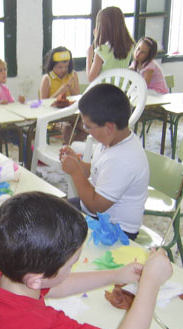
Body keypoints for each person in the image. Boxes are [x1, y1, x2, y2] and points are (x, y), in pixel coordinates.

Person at [0, 191, 173, 329]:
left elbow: (56, 286)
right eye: (71, 264)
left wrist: (116, 275)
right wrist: (151, 282)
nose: (72, 268)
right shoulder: (37, 326)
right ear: (36, 279)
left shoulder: (3, 277)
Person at [60, 84, 149, 240]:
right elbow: (97, 170)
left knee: (54, 231)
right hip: (97, 216)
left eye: (88, 127)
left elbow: (95, 206)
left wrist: (75, 172)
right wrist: (78, 163)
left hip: (114, 230)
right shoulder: (112, 141)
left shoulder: (122, 159)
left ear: (109, 127)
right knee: (50, 210)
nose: (86, 130)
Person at [40, 46, 86, 144]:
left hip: (71, 113)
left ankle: (71, 147)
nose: (63, 70)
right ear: (52, 65)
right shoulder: (47, 78)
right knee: (67, 128)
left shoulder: (73, 75)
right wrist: (60, 90)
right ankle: (69, 148)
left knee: (86, 127)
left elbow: (77, 96)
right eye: (60, 67)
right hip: (54, 116)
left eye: (66, 66)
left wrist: (70, 87)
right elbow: (43, 103)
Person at [86, 6, 135, 82]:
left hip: (106, 91)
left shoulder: (101, 51)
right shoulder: (129, 47)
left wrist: (89, 56)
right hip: (122, 91)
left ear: (102, 28)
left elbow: (91, 78)